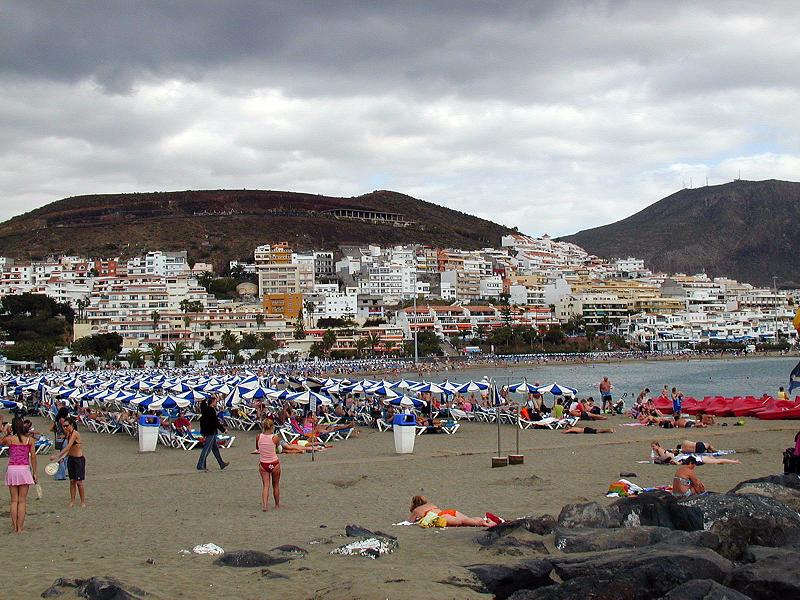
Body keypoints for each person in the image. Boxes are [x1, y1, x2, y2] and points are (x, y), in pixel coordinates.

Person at [3, 417, 37, 532]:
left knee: (14, 500)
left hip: (12, 468)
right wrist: (35, 472)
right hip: (24, 469)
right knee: (22, 500)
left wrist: (6, 431)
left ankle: (14, 527)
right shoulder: (30, 440)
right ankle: (20, 528)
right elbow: (33, 457)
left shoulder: (9, 439)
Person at [49, 416, 86, 507]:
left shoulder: (75, 433)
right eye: (63, 426)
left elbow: (68, 447)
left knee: (79, 482)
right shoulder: (68, 434)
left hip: (78, 460)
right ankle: (72, 500)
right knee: (72, 481)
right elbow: (69, 450)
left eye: (66, 426)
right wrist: (62, 458)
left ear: (71, 425)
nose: (65, 428)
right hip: (71, 459)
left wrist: (56, 456)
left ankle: (82, 501)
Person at [408, 495, 495, 527]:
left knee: (462, 522)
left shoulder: (416, 510)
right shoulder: (431, 504)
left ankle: (484, 523)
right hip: (449, 511)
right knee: (467, 519)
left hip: (442, 516)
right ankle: (485, 520)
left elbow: (409, 522)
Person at [196, 397, 229, 472]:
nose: (216, 403)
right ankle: (200, 465)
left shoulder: (205, 409)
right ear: (212, 402)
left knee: (215, 449)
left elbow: (203, 407)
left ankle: (221, 463)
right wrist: (223, 430)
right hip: (211, 432)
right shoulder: (211, 410)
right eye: (215, 402)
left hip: (207, 431)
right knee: (206, 449)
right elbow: (215, 422)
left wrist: (204, 399)